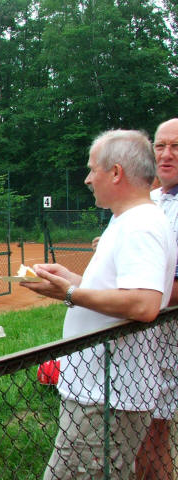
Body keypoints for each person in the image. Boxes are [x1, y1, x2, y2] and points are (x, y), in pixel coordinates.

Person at [21, 129, 177, 479]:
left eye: (93, 169)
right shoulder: (129, 219)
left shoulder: (140, 226)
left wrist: (70, 293)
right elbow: (121, 290)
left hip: (107, 397)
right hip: (101, 391)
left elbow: (144, 303)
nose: (88, 179)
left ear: (116, 172)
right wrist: (72, 280)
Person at [135, 118, 178, 479]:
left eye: (176, 147)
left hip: (166, 337)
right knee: (142, 437)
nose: (166, 154)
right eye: (160, 146)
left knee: (151, 435)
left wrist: (137, 297)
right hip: (140, 339)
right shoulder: (148, 200)